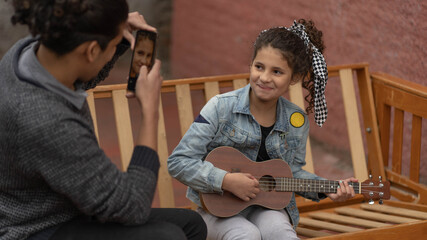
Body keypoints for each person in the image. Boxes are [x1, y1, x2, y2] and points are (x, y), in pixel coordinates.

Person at [0, 0, 207, 240]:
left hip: (66, 205)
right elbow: (133, 206)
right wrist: (150, 110)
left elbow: (81, 75)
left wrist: (110, 31)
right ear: (91, 50)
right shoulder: (46, 120)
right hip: (35, 228)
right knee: (167, 236)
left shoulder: (26, 53)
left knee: (191, 225)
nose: (117, 48)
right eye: (113, 46)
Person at [168, 19, 357, 240]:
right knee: (246, 235)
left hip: (266, 209)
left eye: (277, 72)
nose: (264, 78)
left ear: (294, 77)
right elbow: (179, 161)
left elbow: (291, 173)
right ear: (251, 64)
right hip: (217, 211)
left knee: (282, 233)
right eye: (259, 67)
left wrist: (328, 188)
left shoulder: (296, 119)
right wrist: (225, 180)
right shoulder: (221, 107)